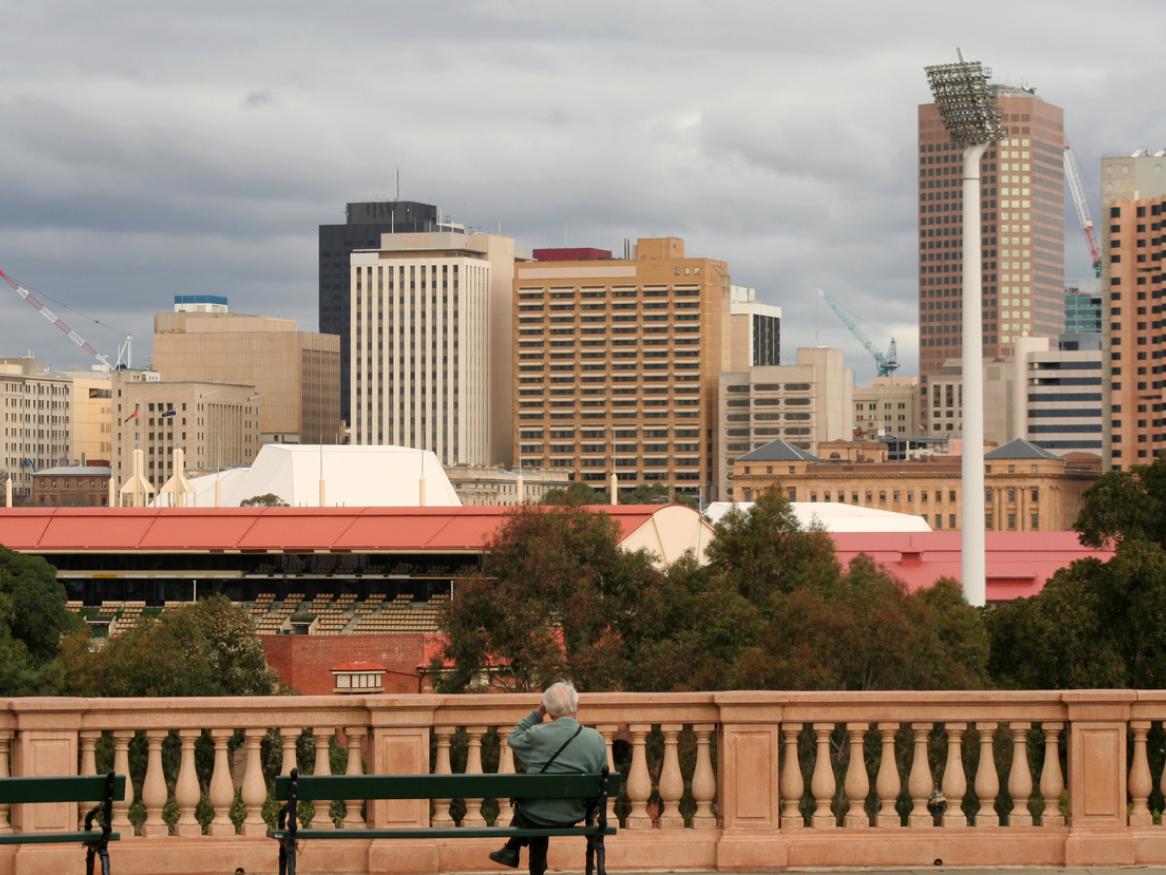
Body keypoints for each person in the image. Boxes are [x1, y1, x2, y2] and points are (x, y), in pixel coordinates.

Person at [489, 681, 607, 875]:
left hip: (536, 816)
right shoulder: (595, 738)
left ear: (549, 710)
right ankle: (511, 849)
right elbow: (601, 778)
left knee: (535, 811)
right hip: (573, 813)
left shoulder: (538, 733)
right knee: (537, 808)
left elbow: (513, 739)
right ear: (576, 706)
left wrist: (537, 712)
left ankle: (519, 855)